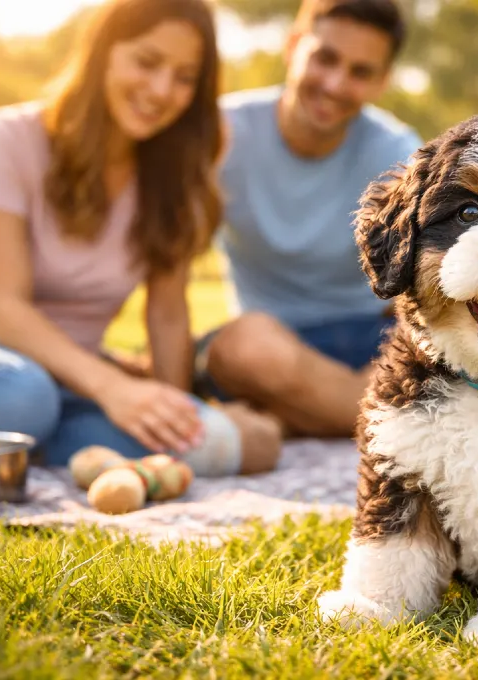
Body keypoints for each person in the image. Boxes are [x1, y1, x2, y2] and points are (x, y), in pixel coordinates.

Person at [0, 0, 281, 475]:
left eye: (184, 77)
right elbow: (4, 311)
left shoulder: (176, 182)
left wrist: (172, 411)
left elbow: (168, 315)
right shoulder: (3, 139)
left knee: (227, 446)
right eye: (147, 62)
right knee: (18, 392)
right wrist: (112, 387)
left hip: (63, 380)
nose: (161, 90)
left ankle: (2, 441)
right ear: (103, 52)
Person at [193, 0, 423, 438]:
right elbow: (165, 257)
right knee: (241, 350)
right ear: (294, 45)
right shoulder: (222, 134)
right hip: (270, 346)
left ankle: (295, 417)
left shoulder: (397, 153)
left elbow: (420, 286)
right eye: (325, 58)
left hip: (368, 337)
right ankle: (388, 420)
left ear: (381, 82)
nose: (336, 84)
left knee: (427, 353)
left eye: (360, 72)